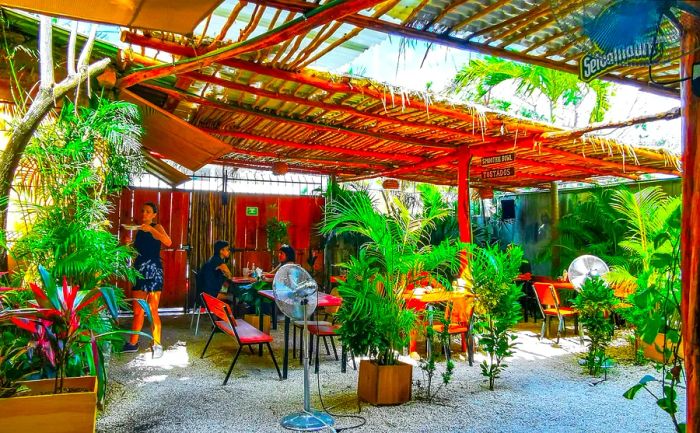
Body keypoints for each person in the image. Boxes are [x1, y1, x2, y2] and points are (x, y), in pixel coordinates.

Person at [122, 202, 172, 358]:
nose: (144, 214)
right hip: (139, 271)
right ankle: (133, 343)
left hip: (154, 271)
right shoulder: (138, 230)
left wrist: (150, 229)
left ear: (154, 215)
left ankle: (157, 344)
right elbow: (136, 251)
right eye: (142, 211)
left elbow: (168, 242)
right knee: (137, 310)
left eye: (148, 211)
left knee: (152, 310)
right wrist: (126, 246)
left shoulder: (156, 227)